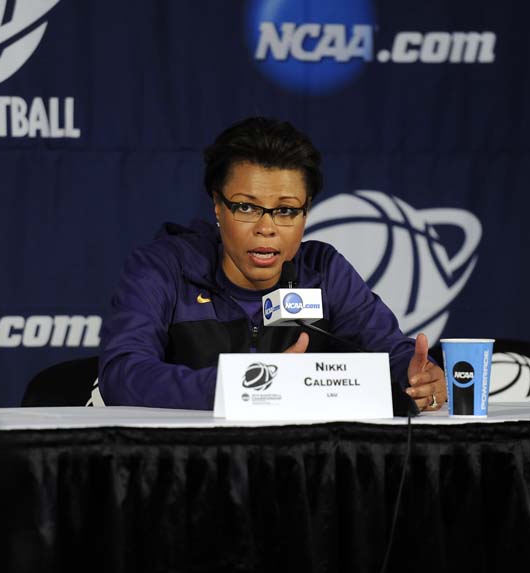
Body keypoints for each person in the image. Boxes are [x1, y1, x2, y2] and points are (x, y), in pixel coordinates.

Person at [99, 117, 447, 411]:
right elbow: (122, 374)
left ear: (306, 211)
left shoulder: (323, 272)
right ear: (217, 206)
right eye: (247, 207)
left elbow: (395, 356)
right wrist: (250, 385)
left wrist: (418, 376)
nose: (266, 228)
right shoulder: (164, 267)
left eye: (285, 210)